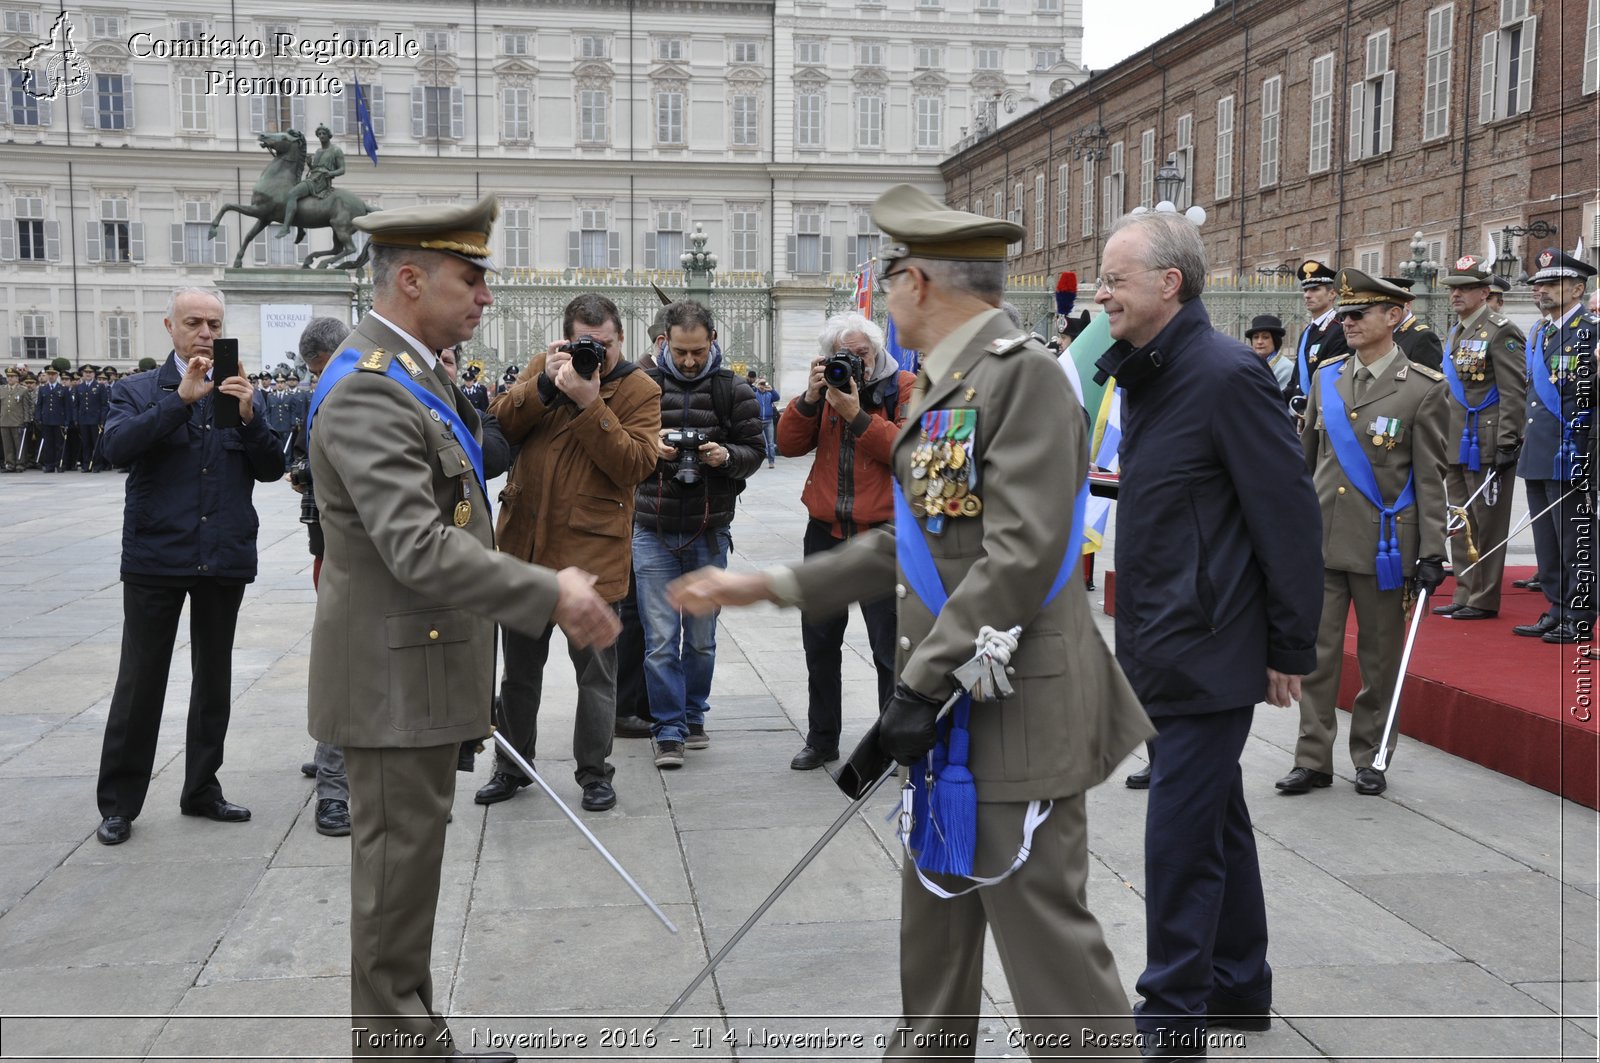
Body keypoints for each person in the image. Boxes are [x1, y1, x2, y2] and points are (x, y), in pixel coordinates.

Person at [668, 184, 1151, 1057]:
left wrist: (920, 684)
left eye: (888, 274)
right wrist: (770, 585)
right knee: (933, 947)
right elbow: (916, 546)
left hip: (1012, 713)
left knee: (1052, 961)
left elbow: (1023, 554)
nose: (883, 291)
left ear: (919, 280)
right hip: (947, 716)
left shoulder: (1024, 378)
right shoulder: (943, 384)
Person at [307, 195, 619, 1062]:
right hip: (391, 680)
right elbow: (415, 544)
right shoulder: (372, 388)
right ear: (411, 279)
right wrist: (544, 589)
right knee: (392, 891)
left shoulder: (414, 371)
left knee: (407, 888)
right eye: (470, 278)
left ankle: (415, 1042)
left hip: (420, 670)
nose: (485, 296)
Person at [1094, 211, 1323, 1059]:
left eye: (1116, 278)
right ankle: (1239, 982)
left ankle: (1171, 1020)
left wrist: (1289, 647)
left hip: (1210, 643)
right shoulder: (1148, 371)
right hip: (1163, 637)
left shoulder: (1226, 373)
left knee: (1179, 837)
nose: (1102, 291)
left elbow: (1288, 514)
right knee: (1217, 819)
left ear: (1169, 284)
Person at [92, 287, 285, 847]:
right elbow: (117, 449)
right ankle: (120, 803)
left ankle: (202, 788)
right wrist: (178, 399)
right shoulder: (136, 390)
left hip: (222, 554)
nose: (206, 333)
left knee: (214, 679)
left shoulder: (239, 390)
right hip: (158, 554)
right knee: (140, 680)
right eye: (194, 322)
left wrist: (249, 416)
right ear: (170, 327)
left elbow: (271, 467)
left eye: (215, 323)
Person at [476, 294, 661, 813]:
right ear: (563, 339)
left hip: (592, 558)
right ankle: (512, 765)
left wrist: (589, 402)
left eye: (603, 346)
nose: (594, 355)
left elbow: (636, 465)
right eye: (585, 343)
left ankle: (595, 773)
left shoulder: (640, 389)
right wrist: (542, 386)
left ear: (621, 339)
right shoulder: (545, 368)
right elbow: (497, 426)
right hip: (527, 551)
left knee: (597, 678)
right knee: (517, 675)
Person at [1278, 269, 1449, 800]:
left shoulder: (1423, 388)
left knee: (1379, 662)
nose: (1347, 323)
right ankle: (1312, 759)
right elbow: (1305, 468)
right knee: (1318, 657)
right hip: (1324, 542)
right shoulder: (1328, 376)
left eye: (1359, 314)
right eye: (1346, 314)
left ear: (1393, 317)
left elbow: (1430, 478)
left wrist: (1435, 550)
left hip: (1386, 547)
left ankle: (1372, 756)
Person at [777, 311, 915, 770]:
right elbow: (788, 444)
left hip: (883, 535)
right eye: (844, 356)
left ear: (877, 351)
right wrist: (812, 399)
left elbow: (909, 453)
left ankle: (891, 742)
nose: (855, 364)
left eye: (862, 354)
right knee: (819, 643)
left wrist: (857, 414)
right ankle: (822, 738)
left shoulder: (905, 386)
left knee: (888, 648)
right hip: (826, 532)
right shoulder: (825, 392)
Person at [633, 299, 764, 770]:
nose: (689, 361)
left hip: (709, 531)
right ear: (664, 341)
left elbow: (756, 450)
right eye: (681, 352)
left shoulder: (735, 390)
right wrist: (653, 451)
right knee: (661, 638)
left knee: (702, 638)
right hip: (652, 530)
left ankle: (693, 716)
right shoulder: (640, 387)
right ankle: (668, 728)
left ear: (712, 341)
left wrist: (723, 457)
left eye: (698, 351)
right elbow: (618, 453)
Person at [283, 316, 355, 837]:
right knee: (345, 666)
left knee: (347, 665)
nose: (317, 379)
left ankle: (330, 756)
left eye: (321, 369)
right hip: (334, 551)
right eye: (313, 372)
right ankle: (333, 788)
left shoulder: (361, 388)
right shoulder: (333, 390)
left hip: (357, 549)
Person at [1431, 255, 1527, 622]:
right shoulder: (1456, 331)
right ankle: (1465, 590)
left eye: (1465, 288)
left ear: (1485, 292)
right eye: (1453, 288)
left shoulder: (1501, 330)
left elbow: (1513, 391)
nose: (1456, 294)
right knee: (1460, 520)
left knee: (1486, 523)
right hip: (1455, 439)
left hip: (1485, 441)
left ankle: (1484, 598)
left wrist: (1508, 440)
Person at [1513, 248, 1598, 645]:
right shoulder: (1539, 333)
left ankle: (1579, 615)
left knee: (1574, 540)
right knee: (1547, 542)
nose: (1541, 290)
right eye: (1538, 284)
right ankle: (1557, 607)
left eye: (1551, 283)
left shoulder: (1591, 331)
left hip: (1573, 450)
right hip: (1540, 450)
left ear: (1578, 287)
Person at [1284, 260, 1350, 412]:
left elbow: (1334, 381)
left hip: (1321, 413)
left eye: (1314, 289)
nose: (1307, 295)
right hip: (1300, 414)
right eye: (1306, 290)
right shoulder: (1307, 332)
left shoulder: (1339, 330)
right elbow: (1295, 381)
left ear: (1332, 294)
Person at [279, 124, 346, 237]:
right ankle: (300, 229)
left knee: (292, 194)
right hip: (313, 177)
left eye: (324, 133)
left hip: (321, 181)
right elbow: (315, 168)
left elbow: (342, 169)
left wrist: (330, 173)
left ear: (329, 136)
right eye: (319, 134)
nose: (321, 136)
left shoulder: (336, 150)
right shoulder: (318, 151)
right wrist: (310, 164)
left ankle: (285, 227)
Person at [1379, 276, 1445, 372]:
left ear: (1408, 304)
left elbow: (1427, 383)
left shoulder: (1423, 337)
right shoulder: (1383, 332)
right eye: (1382, 306)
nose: (1387, 312)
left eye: (1391, 306)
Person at [71, 365, 109, 471]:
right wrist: (76, 418)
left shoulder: (99, 386)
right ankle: (86, 464)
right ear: (82, 374)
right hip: (83, 419)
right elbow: (76, 405)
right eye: (86, 372)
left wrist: (102, 419)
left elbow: (104, 405)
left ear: (93, 374)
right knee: (86, 443)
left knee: (96, 443)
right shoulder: (79, 387)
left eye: (90, 372)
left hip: (95, 419)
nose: (88, 374)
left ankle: (97, 464)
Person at [35, 365, 71, 472]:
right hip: (46, 420)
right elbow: (39, 405)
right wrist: (38, 417)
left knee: (59, 444)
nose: (51, 376)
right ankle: (49, 464)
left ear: (57, 375)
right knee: (48, 444)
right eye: (49, 374)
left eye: (53, 374)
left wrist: (67, 421)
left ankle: (60, 464)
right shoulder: (43, 389)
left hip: (59, 420)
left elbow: (67, 407)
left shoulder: (63, 389)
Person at [1244, 314, 1292, 391]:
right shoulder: (1247, 364)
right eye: (1256, 337)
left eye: (1265, 337)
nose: (1259, 342)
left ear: (1275, 340)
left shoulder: (1286, 368)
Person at [0, 368, 26, 471]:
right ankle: (10, 464)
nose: (10, 378)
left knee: (18, 444)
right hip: (4, 421)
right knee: (7, 445)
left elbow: (26, 407)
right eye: (8, 377)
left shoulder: (23, 390)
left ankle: (20, 463)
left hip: (17, 421)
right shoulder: (2, 389)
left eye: (12, 377)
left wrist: (26, 420)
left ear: (17, 378)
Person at [753, 374, 781, 467]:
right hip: (759, 421)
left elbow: (777, 398)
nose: (762, 386)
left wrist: (771, 389)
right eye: (761, 384)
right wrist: (756, 387)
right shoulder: (755, 394)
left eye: (764, 383)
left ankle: (771, 461)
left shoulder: (769, 394)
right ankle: (759, 459)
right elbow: (749, 394)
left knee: (771, 443)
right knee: (763, 443)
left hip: (769, 421)